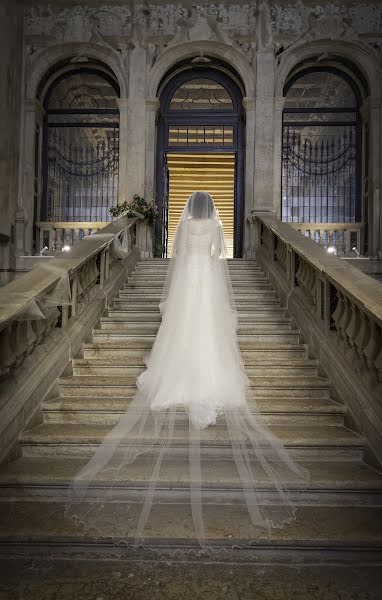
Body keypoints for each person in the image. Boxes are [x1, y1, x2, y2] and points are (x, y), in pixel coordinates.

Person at [65, 191, 309, 551]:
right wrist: (208, 262)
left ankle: (175, 374)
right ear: (209, 209)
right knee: (209, 327)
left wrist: (189, 265)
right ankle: (209, 375)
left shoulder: (186, 225)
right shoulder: (214, 224)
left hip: (188, 280)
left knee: (182, 325)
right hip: (208, 279)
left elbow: (177, 253)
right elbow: (218, 255)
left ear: (189, 209)